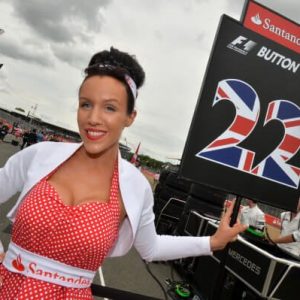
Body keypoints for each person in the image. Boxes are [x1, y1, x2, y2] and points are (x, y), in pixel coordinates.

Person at [0, 47, 246, 299]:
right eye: (86, 104)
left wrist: (212, 243)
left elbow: (151, 247)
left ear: (130, 117)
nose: (93, 118)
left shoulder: (135, 186)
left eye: (109, 108)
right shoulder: (40, 155)